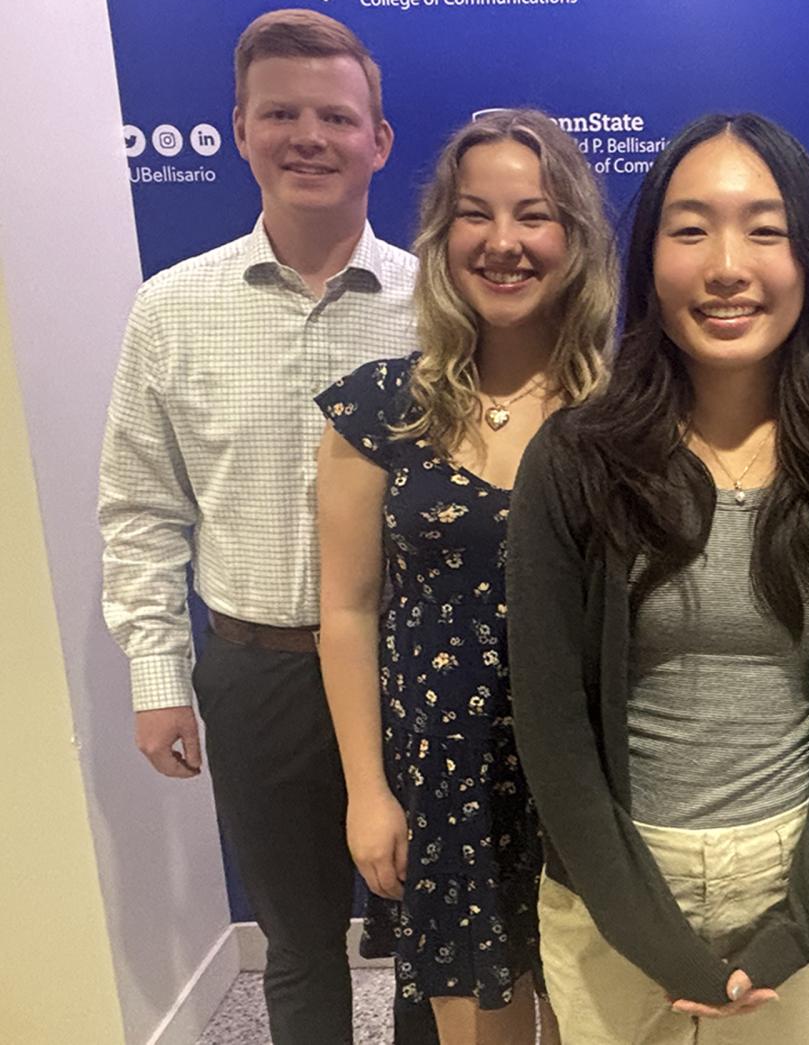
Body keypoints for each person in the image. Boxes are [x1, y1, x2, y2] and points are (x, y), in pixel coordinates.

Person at [506, 113, 809, 1044]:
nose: (727, 264)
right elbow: (552, 725)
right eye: (690, 229)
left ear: (808, 257)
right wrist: (647, 931)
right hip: (616, 882)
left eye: (764, 230)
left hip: (790, 881)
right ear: (649, 259)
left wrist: (801, 923)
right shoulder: (576, 460)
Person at [99, 9, 437, 1045]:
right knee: (296, 947)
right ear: (238, 129)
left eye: (335, 116)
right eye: (279, 112)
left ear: (377, 141)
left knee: (435, 939)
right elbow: (141, 510)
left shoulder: (445, 309)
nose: (307, 135)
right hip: (259, 675)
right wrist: (157, 681)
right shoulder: (171, 308)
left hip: (418, 670)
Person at [314, 109, 616, 1044]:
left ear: (575, 236)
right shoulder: (379, 407)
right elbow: (348, 612)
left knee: (588, 1016)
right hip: (446, 781)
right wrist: (369, 790)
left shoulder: (628, 411)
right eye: (474, 215)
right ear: (442, 238)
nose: (504, 242)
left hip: (592, 777)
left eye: (534, 214)